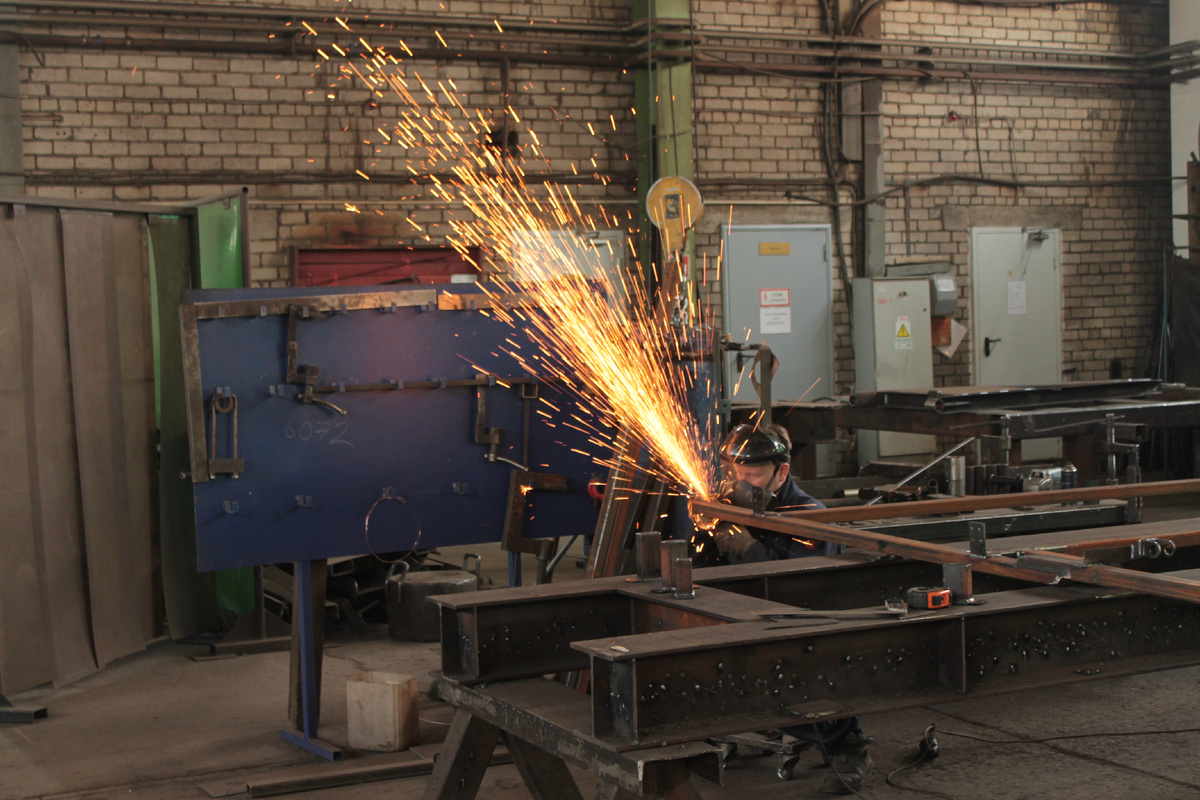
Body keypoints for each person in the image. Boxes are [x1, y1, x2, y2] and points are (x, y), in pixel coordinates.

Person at [711, 422, 873, 794]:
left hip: (798, 628)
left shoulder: (810, 518)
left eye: (753, 475)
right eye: (738, 474)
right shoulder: (733, 504)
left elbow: (799, 591)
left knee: (802, 674)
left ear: (781, 472)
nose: (743, 483)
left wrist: (750, 549)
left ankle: (846, 745)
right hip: (740, 617)